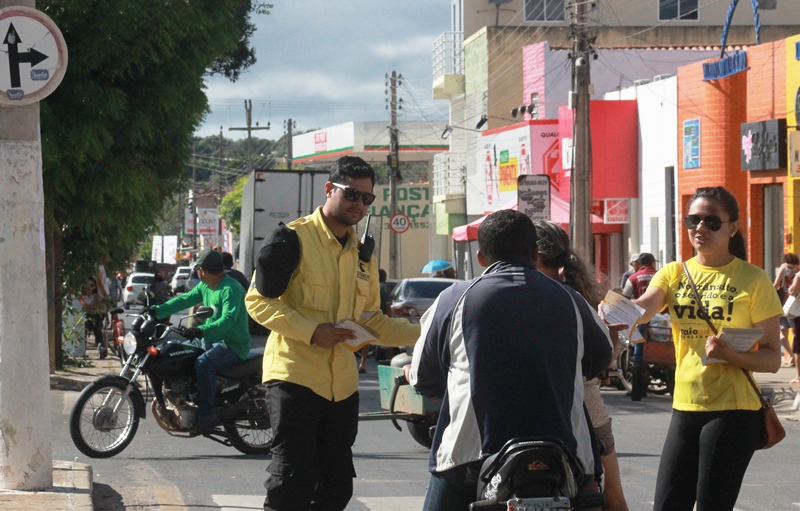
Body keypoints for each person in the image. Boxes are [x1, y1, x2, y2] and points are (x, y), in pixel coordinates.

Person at [245, 155, 421, 511]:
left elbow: (372, 320)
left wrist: (428, 332)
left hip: (342, 387)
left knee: (336, 488)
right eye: (351, 194)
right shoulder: (290, 238)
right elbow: (258, 303)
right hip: (295, 378)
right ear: (329, 189)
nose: (358, 204)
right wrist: (312, 332)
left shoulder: (363, 255)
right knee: (291, 484)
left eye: (366, 199)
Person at [407, 210, 613, 510]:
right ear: (533, 253)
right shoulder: (572, 300)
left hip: (471, 460)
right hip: (565, 459)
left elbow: (424, 380)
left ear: (480, 257)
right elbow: (599, 361)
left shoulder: (454, 299)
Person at [630, 186, 782, 511]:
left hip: (734, 409)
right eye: (693, 220)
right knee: (667, 505)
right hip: (685, 405)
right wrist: (615, 307)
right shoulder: (673, 273)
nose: (700, 228)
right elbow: (644, 307)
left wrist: (732, 355)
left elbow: (772, 358)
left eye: (712, 221)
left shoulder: (753, 279)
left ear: (732, 227)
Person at [533, 219, 629, 511]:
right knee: (612, 495)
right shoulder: (580, 296)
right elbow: (602, 361)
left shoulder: (518, 295)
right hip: (588, 407)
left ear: (531, 255)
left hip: (535, 409)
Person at [148, 248, 251, 434]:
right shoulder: (207, 286)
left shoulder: (231, 289)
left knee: (204, 363)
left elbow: (228, 320)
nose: (196, 272)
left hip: (233, 345)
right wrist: (156, 311)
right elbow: (184, 300)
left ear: (202, 270)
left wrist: (199, 330)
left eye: (197, 269)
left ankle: (207, 415)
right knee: (179, 352)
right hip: (210, 340)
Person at [622, 252, 658, 401]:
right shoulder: (661, 275)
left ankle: (637, 391)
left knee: (638, 354)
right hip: (661, 321)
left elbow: (624, 298)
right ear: (652, 263)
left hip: (642, 320)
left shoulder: (633, 278)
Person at [358, 268, 391, 373]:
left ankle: (362, 363)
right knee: (389, 342)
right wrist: (390, 318)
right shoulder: (386, 289)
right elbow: (388, 305)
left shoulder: (370, 287)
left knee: (367, 341)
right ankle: (390, 362)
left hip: (369, 316)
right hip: (382, 318)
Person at [773, 252, 799, 365]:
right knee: (795, 333)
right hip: (796, 304)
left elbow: (776, 284)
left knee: (782, 332)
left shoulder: (784, 267)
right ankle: (794, 356)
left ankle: (791, 355)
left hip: (784, 304)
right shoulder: (798, 269)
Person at [79, 277, 108, 359]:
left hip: (96, 318)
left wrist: (88, 307)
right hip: (83, 319)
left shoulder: (96, 297)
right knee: (84, 327)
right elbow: (82, 307)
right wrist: (90, 307)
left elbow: (96, 306)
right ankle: (81, 349)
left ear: (95, 287)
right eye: (86, 286)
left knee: (98, 329)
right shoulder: (80, 297)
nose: (88, 288)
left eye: (91, 285)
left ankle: (101, 348)